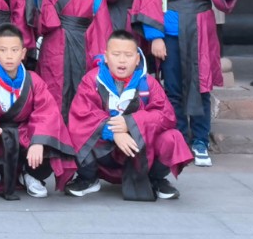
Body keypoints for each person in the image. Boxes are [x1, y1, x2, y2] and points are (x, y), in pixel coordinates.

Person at [132, 0, 241, 167]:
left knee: (202, 86)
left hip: (200, 35)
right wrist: (155, 37)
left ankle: (200, 140)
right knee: (172, 88)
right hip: (170, 36)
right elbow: (148, 1)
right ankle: (179, 137)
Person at [65, 31, 192, 201]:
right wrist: (114, 132)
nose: (122, 60)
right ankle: (88, 178)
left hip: (142, 152)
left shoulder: (148, 83)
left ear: (137, 59)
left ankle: (155, 179)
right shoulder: (92, 80)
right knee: (74, 130)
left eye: (128, 55)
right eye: (116, 54)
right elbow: (82, 114)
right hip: (106, 153)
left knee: (172, 137)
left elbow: (166, 116)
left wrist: (131, 123)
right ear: (106, 57)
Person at [0, 24, 70, 201]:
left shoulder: (34, 80)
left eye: (14, 50)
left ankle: (31, 174)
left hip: (24, 132)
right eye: (3, 50)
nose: (9, 56)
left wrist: (38, 141)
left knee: (49, 138)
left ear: (23, 53)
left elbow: (46, 112)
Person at [28, 0, 113, 123]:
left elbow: (102, 27)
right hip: (54, 46)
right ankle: (54, 136)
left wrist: (100, 56)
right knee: (53, 92)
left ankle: (79, 135)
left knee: (83, 93)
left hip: (84, 47)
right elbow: (41, 19)